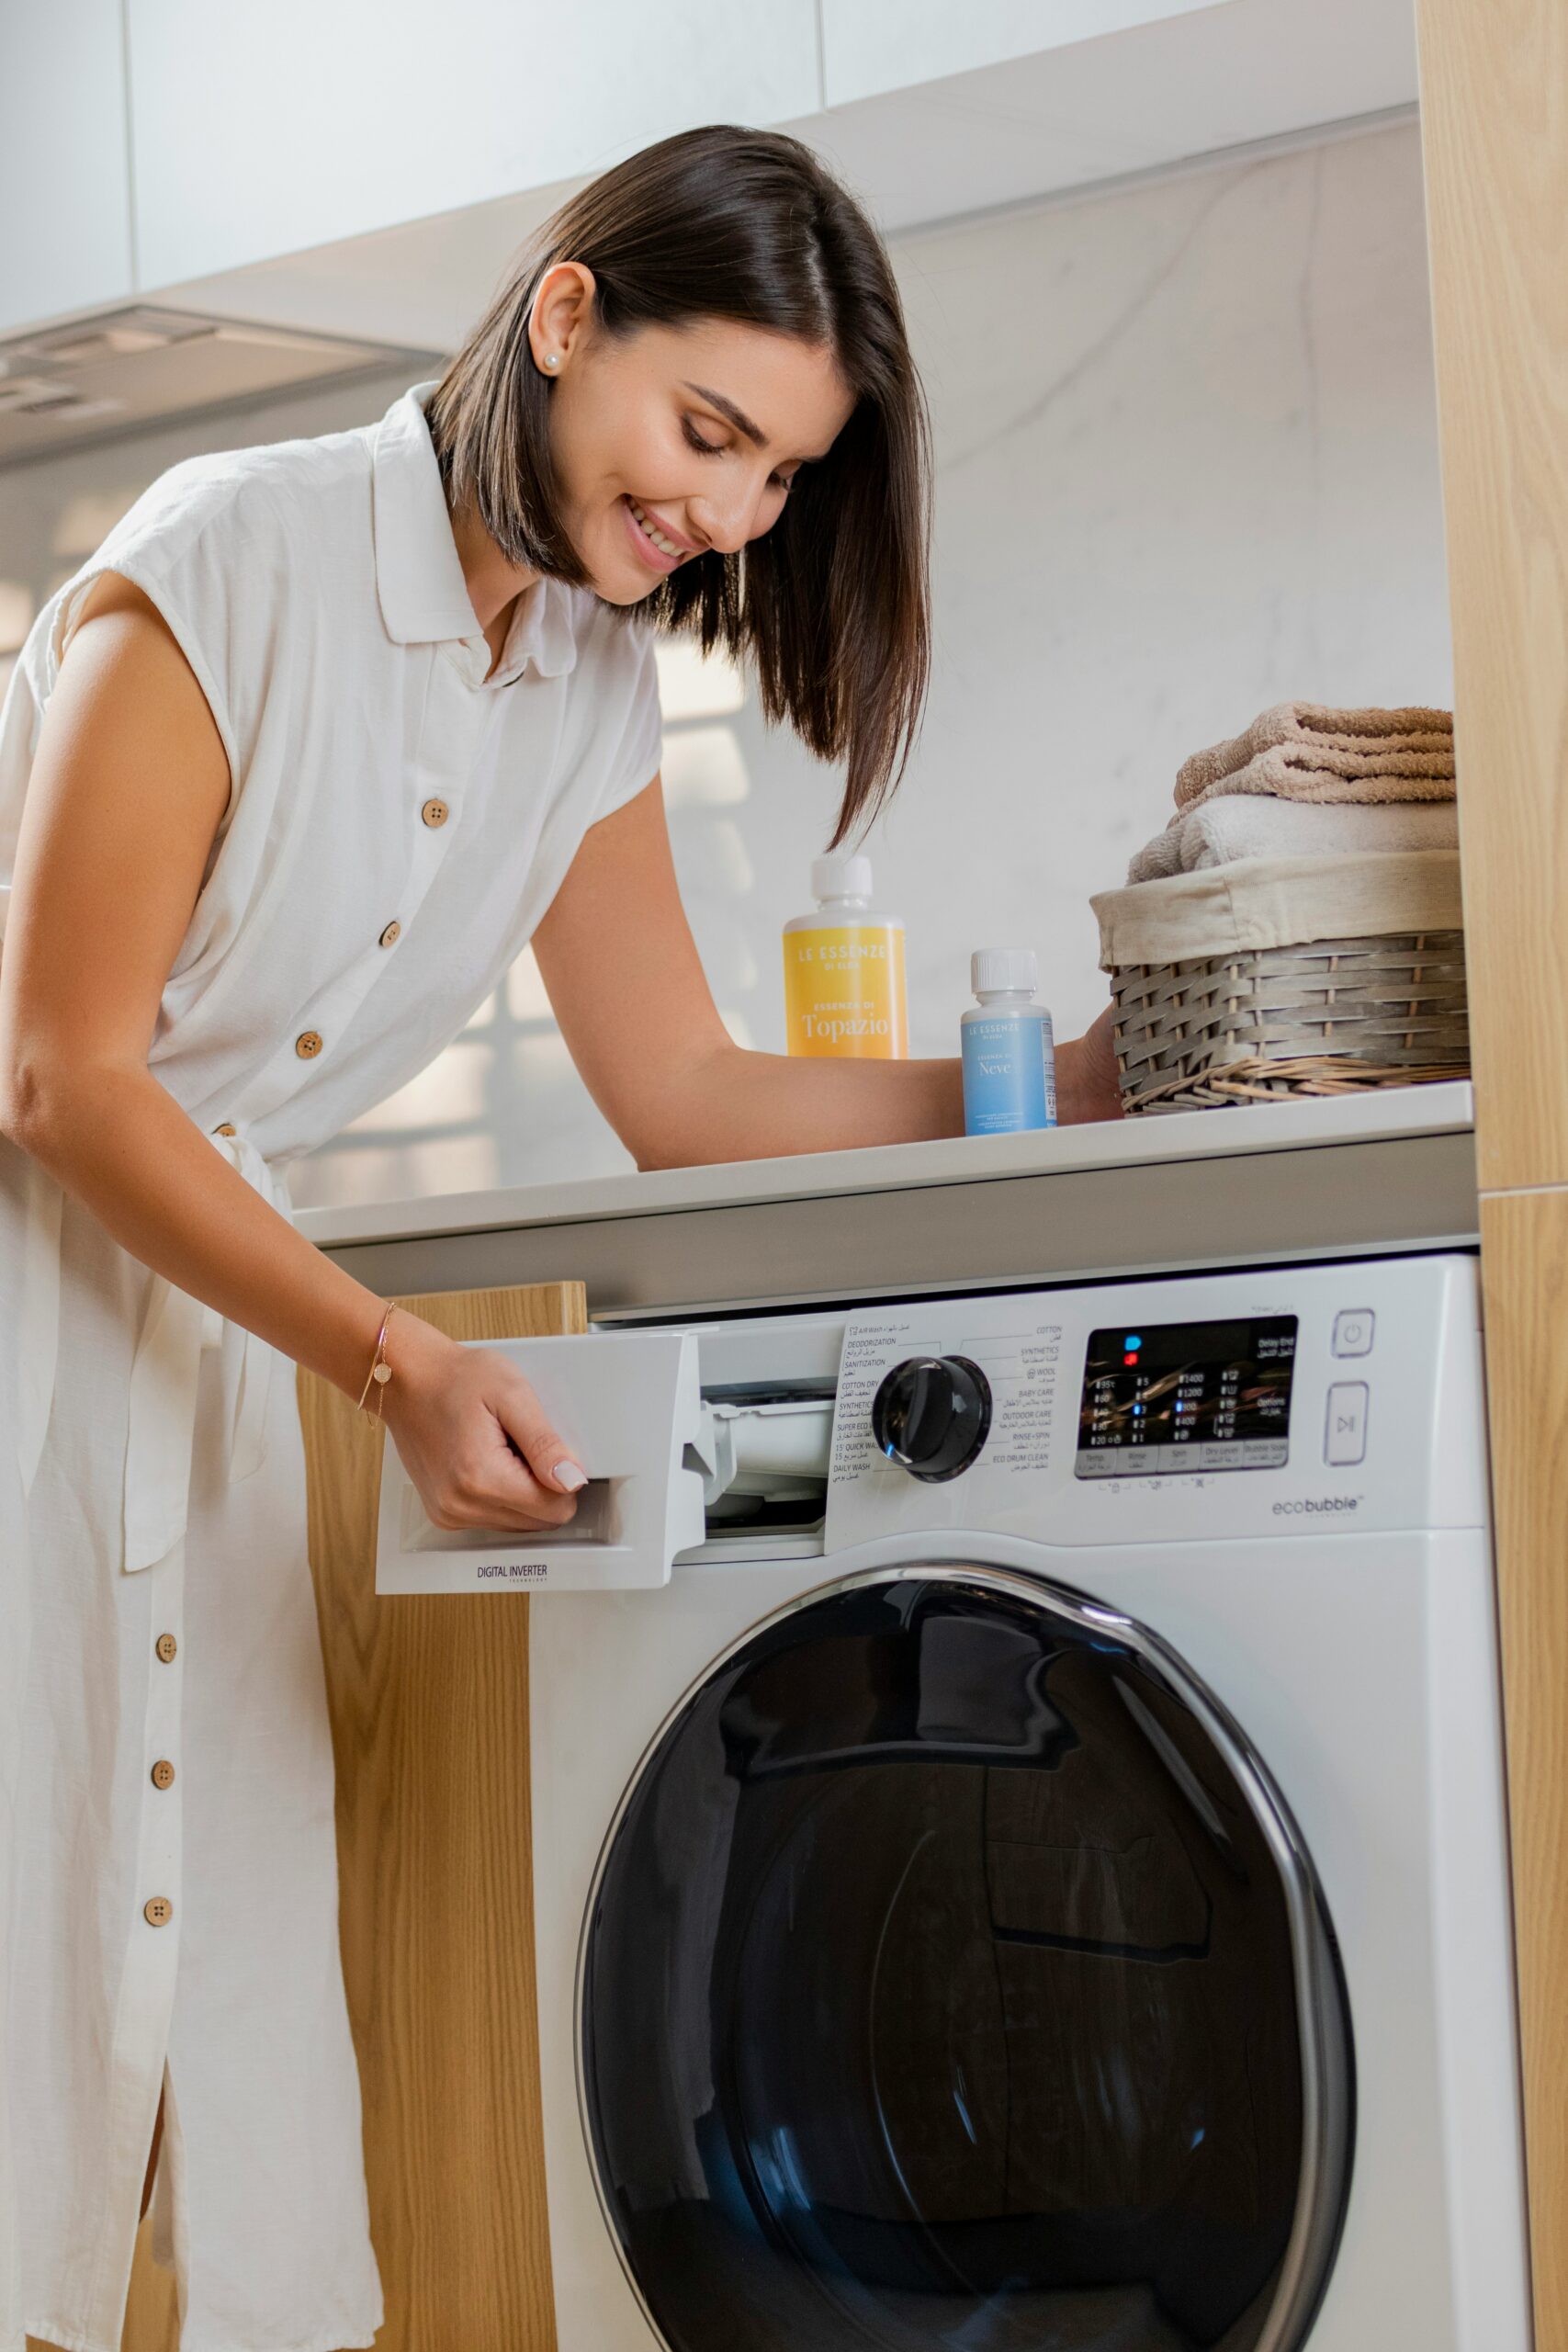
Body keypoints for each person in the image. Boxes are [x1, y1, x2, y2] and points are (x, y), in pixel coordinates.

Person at [0, 123, 1122, 2350]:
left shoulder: (594, 693)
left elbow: (682, 1091)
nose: (723, 515)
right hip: (43, 1331)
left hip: (197, 1370)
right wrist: (395, 1359)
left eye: (779, 475)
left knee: (208, 2036)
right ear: (564, 314)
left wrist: (1062, 1085)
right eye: (709, 431)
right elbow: (67, 1075)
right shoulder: (230, 555)